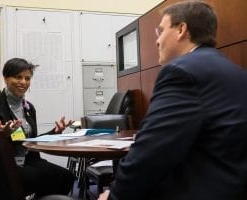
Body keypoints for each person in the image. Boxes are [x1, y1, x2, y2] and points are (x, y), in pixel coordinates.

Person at [98, 1, 247, 200]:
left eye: (160, 31)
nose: (157, 41)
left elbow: (150, 154)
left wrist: (114, 196)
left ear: (181, 29)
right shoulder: (236, 72)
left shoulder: (181, 72)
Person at [0, 57, 75, 198]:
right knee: (41, 178)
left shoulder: (29, 108)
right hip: (3, 164)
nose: (23, 82)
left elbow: (30, 141)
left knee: (67, 176)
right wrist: (1, 134)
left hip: (29, 161)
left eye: (27, 78)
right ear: (5, 78)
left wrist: (54, 132)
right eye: (18, 77)